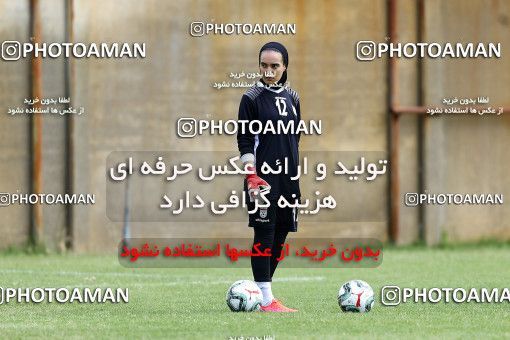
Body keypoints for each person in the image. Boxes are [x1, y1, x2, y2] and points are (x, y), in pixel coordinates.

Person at [237, 42, 301, 312]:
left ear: (285, 66)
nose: (269, 70)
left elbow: (295, 138)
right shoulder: (251, 98)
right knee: (264, 235)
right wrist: (251, 175)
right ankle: (265, 299)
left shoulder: (294, 98)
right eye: (264, 65)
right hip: (261, 179)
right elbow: (245, 140)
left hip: (288, 178)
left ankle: (261, 292)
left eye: (275, 66)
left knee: (281, 233)